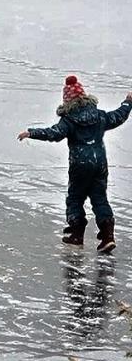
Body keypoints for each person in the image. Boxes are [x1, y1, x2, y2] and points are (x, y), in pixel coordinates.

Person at [18, 76, 132, 252]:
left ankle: (76, 234)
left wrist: (31, 133)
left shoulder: (69, 120)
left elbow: (54, 133)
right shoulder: (99, 116)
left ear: (67, 101)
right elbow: (118, 116)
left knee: (75, 198)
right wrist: (128, 102)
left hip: (80, 164)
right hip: (99, 162)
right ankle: (108, 237)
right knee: (99, 198)